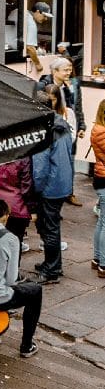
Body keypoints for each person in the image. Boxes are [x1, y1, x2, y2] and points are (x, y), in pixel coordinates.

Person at [0, 200, 44, 358]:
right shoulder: (11, 239)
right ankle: (26, 345)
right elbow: (11, 279)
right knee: (34, 291)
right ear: (6, 217)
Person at [31, 87, 75, 284]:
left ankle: (52, 268)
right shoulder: (61, 123)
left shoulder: (45, 130)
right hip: (63, 182)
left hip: (50, 187)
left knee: (49, 228)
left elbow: (40, 167)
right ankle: (51, 263)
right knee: (50, 225)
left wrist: (36, 190)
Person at [39, 56, 86, 206]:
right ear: (55, 71)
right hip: (52, 131)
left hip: (68, 129)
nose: (68, 73)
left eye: (70, 69)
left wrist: (81, 126)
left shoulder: (72, 85)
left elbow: (77, 106)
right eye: (65, 70)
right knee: (51, 163)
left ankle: (68, 192)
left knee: (69, 161)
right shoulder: (44, 85)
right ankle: (49, 195)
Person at [0, 158, 35, 251]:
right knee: (16, 243)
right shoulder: (24, 159)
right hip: (18, 206)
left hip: (0, 203)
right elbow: (26, 187)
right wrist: (32, 209)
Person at [92, 99, 105, 278]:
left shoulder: (98, 129)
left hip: (100, 177)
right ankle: (103, 263)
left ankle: (97, 258)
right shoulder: (102, 132)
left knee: (102, 220)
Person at [24, 2, 51, 78]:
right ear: (38, 11)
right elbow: (29, 47)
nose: (45, 19)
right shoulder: (31, 23)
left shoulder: (18, 12)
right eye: (44, 16)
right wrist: (38, 64)